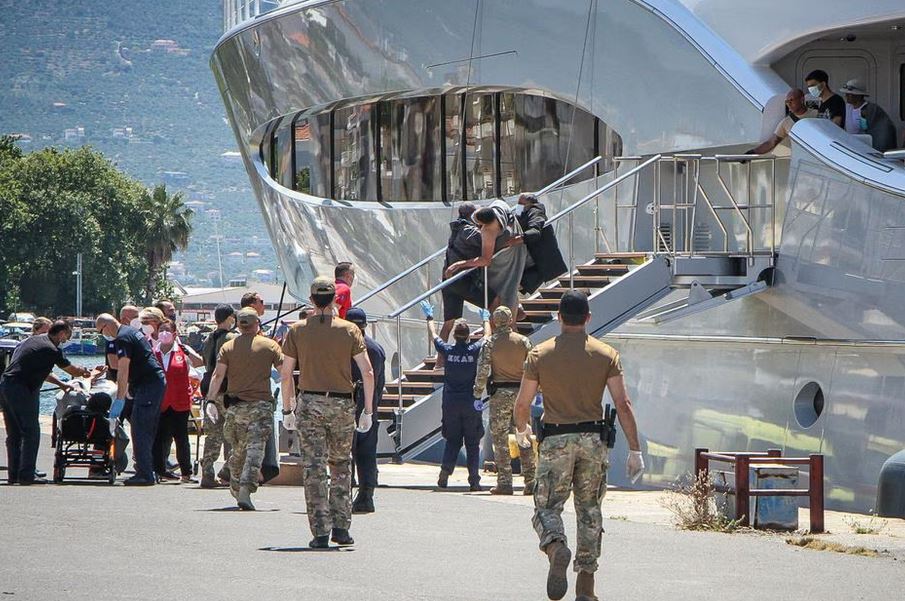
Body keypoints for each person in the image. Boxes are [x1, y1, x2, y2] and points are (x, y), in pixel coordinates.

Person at [513, 291, 644, 601]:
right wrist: (635, 449)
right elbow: (623, 404)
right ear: (588, 318)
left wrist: (522, 430)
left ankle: (556, 546)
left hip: (556, 439)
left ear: (559, 317)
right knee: (589, 512)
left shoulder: (540, 354)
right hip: (593, 442)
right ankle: (586, 588)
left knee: (547, 507)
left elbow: (522, 404)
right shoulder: (606, 354)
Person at [280, 277, 374, 548]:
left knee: (314, 468)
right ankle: (341, 528)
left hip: (310, 403)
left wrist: (287, 409)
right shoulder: (350, 330)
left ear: (311, 300)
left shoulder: (297, 331)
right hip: (342, 404)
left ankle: (320, 531)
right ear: (335, 300)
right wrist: (367, 410)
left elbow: (286, 375)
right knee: (341, 465)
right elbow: (367, 372)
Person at [204, 308, 282, 510]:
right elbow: (285, 372)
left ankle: (237, 484)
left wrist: (210, 400)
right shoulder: (270, 345)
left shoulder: (228, 347)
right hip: (261, 406)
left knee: (238, 449)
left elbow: (217, 376)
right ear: (257, 324)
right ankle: (245, 488)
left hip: (236, 407)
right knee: (255, 450)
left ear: (238, 325)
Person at [0, 320, 91, 485]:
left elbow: (33, 368)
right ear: (61, 333)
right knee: (31, 432)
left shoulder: (32, 341)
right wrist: (86, 372)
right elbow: (72, 370)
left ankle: (14, 475)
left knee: (14, 433)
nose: (66, 340)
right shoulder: (52, 349)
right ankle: (27, 475)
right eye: (67, 336)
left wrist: (62, 384)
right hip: (23, 389)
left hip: (6, 385)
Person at [421, 301, 490, 492]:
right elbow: (487, 336)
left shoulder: (448, 350)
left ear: (454, 336)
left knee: (452, 440)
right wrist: (486, 320)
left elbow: (434, 335)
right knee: (472, 442)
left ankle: (445, 473)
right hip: (471, 402)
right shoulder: (473, 351)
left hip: (450, 402)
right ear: (468, 336)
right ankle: (474, 480)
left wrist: (429, 317)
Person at [96, 312, 166, 486]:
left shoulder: (123, 338)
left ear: (107, 326)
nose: (102, 335)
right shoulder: (130, 332)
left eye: (100, 331)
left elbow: (123, 370)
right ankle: (150, 469)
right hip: (152, 383)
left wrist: (119, 399)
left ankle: (145, 474)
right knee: (147, 428)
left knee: (140, 428)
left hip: (148, 385)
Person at [473, 306, 536, 496]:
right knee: (524, 435)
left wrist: (477, 393)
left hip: (499, 394)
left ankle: (505, 482)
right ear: (510, 320)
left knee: (500, 440)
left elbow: (483, 370)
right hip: (521, 395)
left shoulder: (490, 343)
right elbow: (533, 368)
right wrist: (536, 390)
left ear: (494, 322)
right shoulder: (524, 341)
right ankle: (531, 481)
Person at [445, 199, 527, 320]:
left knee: (501, 295)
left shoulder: (487, 231)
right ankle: (515, 314)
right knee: (511, 290)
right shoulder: (500, 205)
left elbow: (485, 260)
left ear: (482, 223)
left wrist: (460, 264)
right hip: (519, 250)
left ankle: (506, 323)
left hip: (504, 262)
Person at [345, 307, 386, 514]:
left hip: (346, 404)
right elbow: (380, 383)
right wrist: (372, 407)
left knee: (344, 452)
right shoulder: (376, 348)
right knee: (367, 452)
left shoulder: (342, 347)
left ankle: (343, 495)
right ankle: (366, 495)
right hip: (369, 405)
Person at [439, 203, 496, 348]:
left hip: (448, 280)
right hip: (462, 280)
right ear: (472, 215)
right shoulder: (469, 230)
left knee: (448, 323)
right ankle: (492, 341)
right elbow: (489, 240)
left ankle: (439, 359)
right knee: (495, 301)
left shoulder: (457, 228)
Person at [152, 320, 203, 483]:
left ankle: (186, 473)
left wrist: (187, 351)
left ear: (175, 334)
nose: (164, 333)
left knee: (181, 438)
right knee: (159, 438)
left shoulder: (182, 350)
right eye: (161, 330)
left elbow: (199, 363)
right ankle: (159, 470)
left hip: (180, 402)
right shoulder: (153, 352)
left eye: (167, 330)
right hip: (160, 401)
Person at [200, 304, 237, 488]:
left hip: (209, 389)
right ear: (230, 318)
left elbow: (205, 360)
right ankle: (228, 471)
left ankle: (207, 472)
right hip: (226, 389)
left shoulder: (208, 338)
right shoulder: (232, 338)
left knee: (212, 435)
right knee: (234, 435)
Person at [515, 193, 568, 295]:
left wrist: (520, 238)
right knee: (517, 285)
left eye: (521, 203)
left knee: (517, 285)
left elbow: (535, 230)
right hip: (534, 259)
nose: (518, 206)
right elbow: (517, 219)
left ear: (529, 203)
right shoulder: (523, 213)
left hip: (540, 260)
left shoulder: (536, 211)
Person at [747, 89, 818, 155]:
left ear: (802, 100)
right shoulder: (786, 122)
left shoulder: (817, 114)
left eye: (791, 100)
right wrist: (751, 153)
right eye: (787, 101)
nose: (789, 104)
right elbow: (771, 143)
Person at [839, 79, 898, 152]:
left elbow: (883, 130)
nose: (846, 96)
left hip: (867, 147)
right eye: (846, 94)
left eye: (849, 94)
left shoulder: (871, 109)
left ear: (858, 95)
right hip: (852, 146)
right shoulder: (847, 108)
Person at [106, 305, 139, 384]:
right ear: (124, 319)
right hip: (117, 381)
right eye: (135, 317)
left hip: (135, 381)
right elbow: (114, 364)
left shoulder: (137, 335)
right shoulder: (114, 336)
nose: (138, 320)